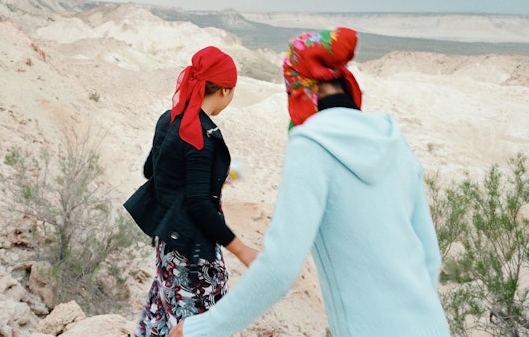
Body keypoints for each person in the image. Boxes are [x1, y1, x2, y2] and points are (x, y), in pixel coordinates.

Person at [170, 28, 450, 337]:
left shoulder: (311, 147)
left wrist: (204, 329)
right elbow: (430, 257)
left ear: (297, 90)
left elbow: (280, 267)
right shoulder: (395, 142)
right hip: (431, 325)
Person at [124, 45, 257, 337]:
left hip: (168, 244)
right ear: (224, 90)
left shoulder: (169, 118)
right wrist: (243, 250)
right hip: (193, 250)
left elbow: (152, 171)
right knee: (204, 321)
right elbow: (199, 206)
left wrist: (206, 178)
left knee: (166, 308)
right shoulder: (202, 136)